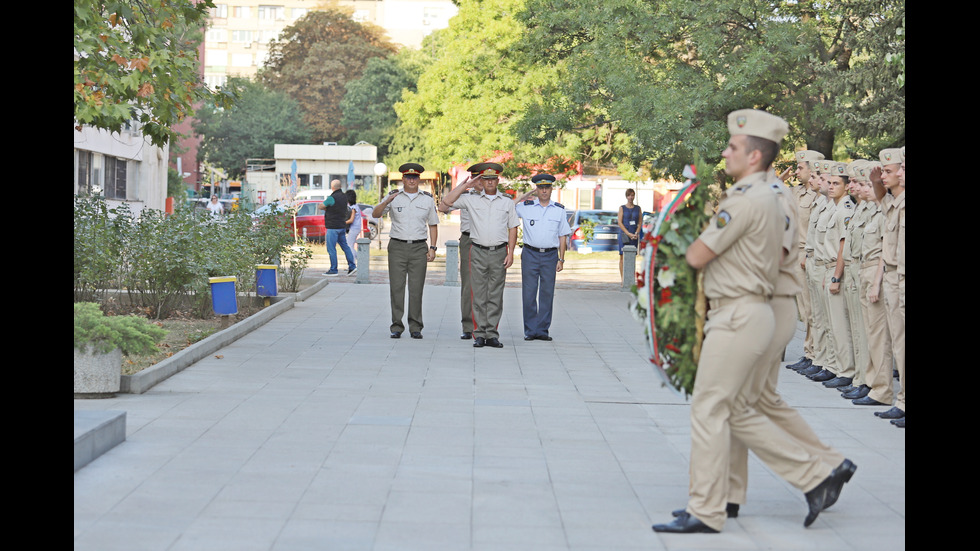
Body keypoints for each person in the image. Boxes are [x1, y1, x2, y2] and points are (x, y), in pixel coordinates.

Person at [652, 109, 851, 534]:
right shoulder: (772, 194)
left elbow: (696, 256)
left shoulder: (748, 198)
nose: (725, 152)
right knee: (737, 405)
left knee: (715, 407)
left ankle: (727, 502)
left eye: (733, 147)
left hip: (742, 310)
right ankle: (728, 496)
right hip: (754, 306)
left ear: (755, 157)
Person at [439, 162, 519, 348]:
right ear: (481, 180)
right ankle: (479, 334)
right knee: (478, 294)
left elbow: (513, 227)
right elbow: (444, 205)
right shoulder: (471, 199)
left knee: (495, 294)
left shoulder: (506, 201)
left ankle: (492, 333)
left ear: (497, 180)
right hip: (477, 251)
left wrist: (511, 253)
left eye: (493, 179)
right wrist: (464, 186)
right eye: (486, 179)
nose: (490, 182)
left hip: (499, 252)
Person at [371, 163, 439, 339]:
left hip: (418, 248)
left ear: (419, 179)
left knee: (416, 289)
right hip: (397, 247)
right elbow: (375, 214)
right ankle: (396, 326)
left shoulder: (427, 199)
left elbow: (433, 225)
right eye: (408, 177)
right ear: (402, 179)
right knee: (397, 287)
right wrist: (386, 201)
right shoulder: (394, 197)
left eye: (414, 177)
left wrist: (432, 247)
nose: (411, 180)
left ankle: (415, 326)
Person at [870, 148, 905, 426]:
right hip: (894, 276)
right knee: (898, 343)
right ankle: (902, 400)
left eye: (888, 171)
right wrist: (876, 182)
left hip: (901, 277)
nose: (884, 176)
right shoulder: (895, 202)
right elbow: (882, 200)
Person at [514, 173, 571, 341]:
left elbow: (563, 236)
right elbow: (508, 207)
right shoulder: (526, 206)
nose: (544, 191)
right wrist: (525, 195)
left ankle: (543, 330)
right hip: (530, 254)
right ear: (536, 189)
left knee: (547, 293)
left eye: (547, 188)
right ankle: (530, 330)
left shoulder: (559, 210)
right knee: (529, 293)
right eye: (540, 188)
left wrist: (561, 259)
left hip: (550, 256)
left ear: (552, 189)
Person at [450, 165, 486, 340]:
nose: (480, 182)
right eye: (476, 179)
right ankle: (468, 325)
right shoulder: (464, 196)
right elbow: (446, 204)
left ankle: (484, 324)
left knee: (487, 285)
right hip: (468, 240)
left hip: (487, 241)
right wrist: (463, 186)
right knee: (468, 285)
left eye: (483, 179)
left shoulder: (494, 198)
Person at [317, 180, 357, 277]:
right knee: (345, 246)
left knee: (331, 249)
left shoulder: (332, 198)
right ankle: (352, 266)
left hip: (332, 227)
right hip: (341, 226)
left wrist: (327, 208)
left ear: (332, 187)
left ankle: (333, 269)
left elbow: (320, 206)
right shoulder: (344, 197)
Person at [617, 189, 642, 278]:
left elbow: (640, 221)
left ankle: (630, 278)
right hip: (624, 234)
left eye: (632, 195)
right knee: (622, 256)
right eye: (629, 195)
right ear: (626, 196)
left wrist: (636, 233)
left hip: (634, 235)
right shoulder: (622, 208)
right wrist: (628, 233)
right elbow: (619, 222)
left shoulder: (638, 208)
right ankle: (623, 279)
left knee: (632, 257)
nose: (631, 197)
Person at [345, 189, 362, 254]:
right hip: (355, 228)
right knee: (349, 244)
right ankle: (357, 258)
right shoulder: (355, 206)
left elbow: (351, 220)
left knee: (349, 245)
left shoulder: (353, 208)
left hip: (354, 228)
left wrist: (342, 223)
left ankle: (355, 259)